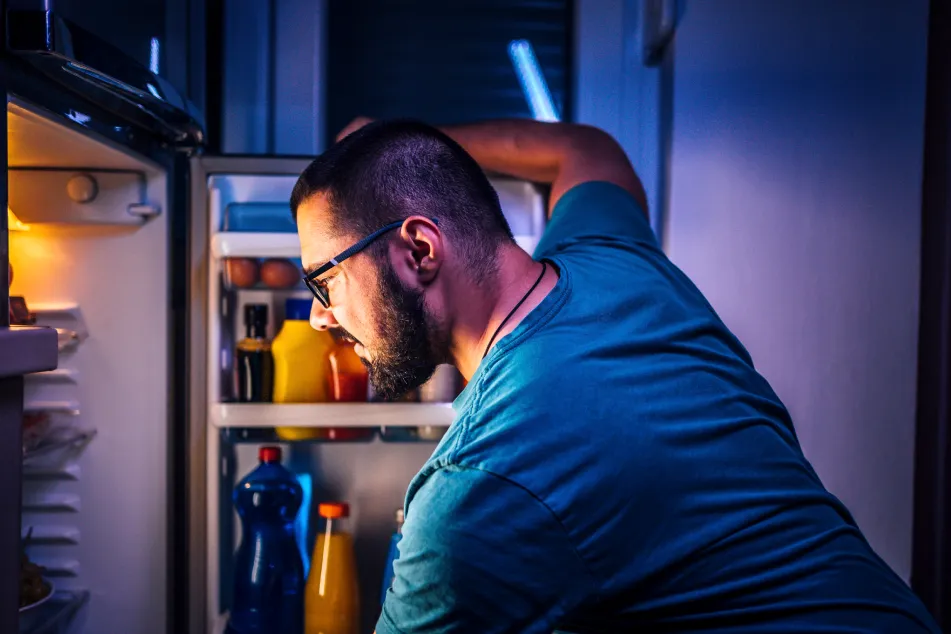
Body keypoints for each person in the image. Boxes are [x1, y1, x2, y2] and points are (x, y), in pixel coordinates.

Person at [290, 117, 940, 634]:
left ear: (419, 250)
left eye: (325, 281)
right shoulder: (609, 256)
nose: (320, 317)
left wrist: (400, 156)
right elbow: (583, 148)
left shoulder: (481, 489)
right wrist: (405, 151)